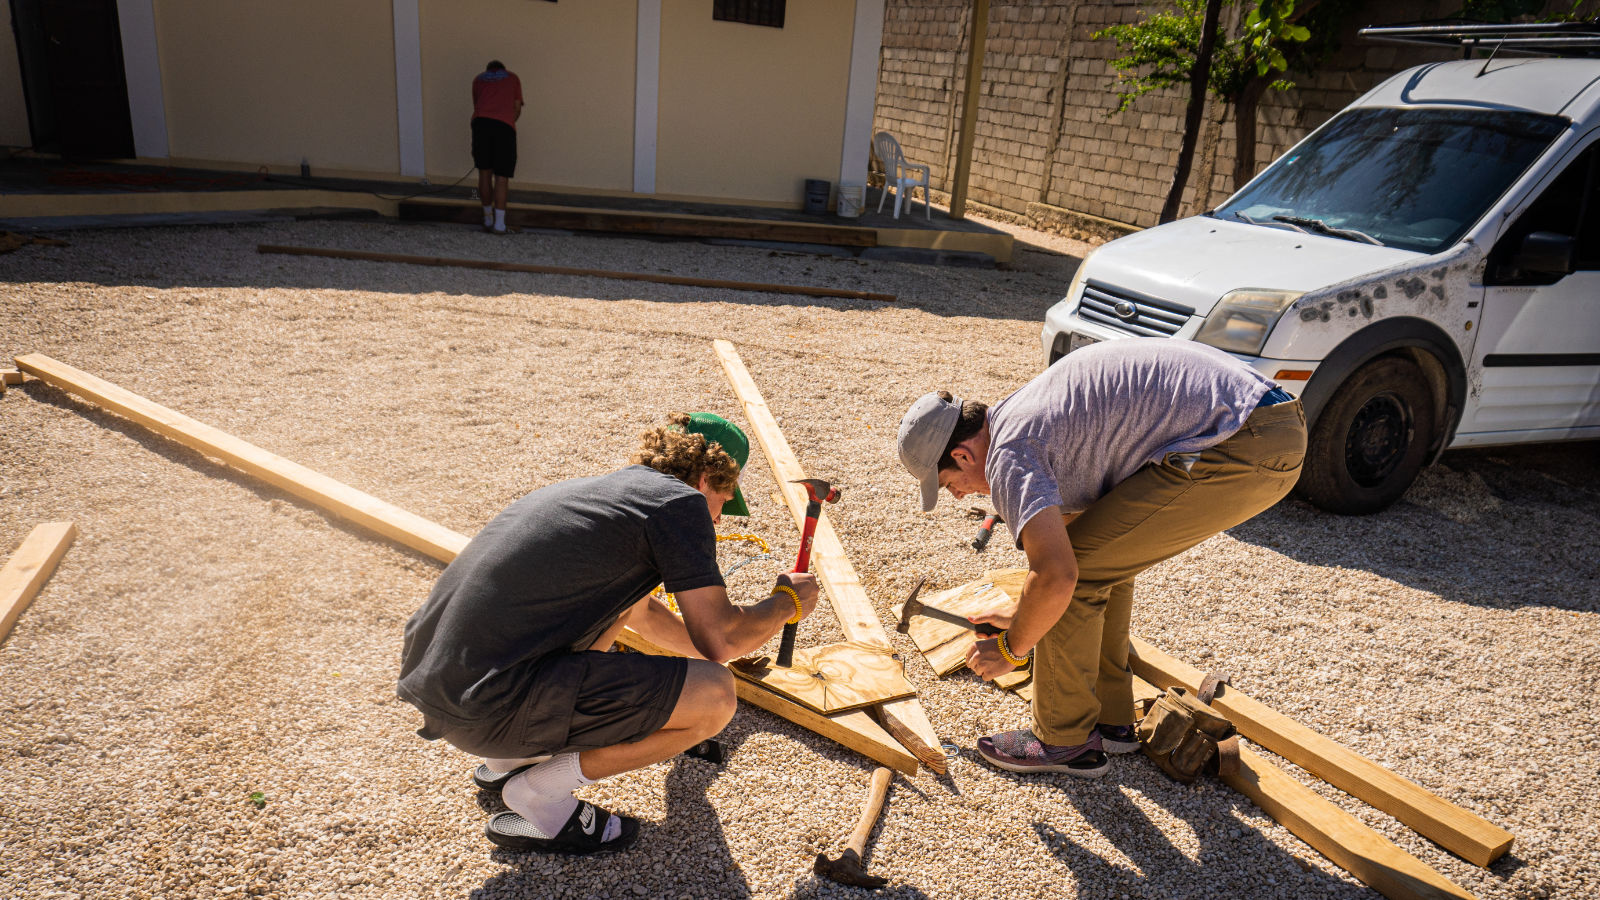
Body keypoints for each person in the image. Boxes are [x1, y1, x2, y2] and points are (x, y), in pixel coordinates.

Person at [397, 412, 818, 853]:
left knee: (621, 612)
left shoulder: (595, 493)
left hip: (446, 693)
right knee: (716, 696)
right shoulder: (679, 503)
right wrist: (784, 605)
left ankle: (510, 760)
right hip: (491, 709)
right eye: (724, 500)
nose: (717, 520)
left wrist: (717, 652)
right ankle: (542, 791)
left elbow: (643, 615)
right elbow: (721, 638)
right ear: (709, 476)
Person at [895, 338, 1305, 777]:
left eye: (948, 484)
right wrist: (1023, 613)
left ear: (962, 454)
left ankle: (1061, 739)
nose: (957, 495)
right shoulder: (1020, 417)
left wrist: (1013, 648)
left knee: (1082, 575)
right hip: (1269, 422)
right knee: (1102, 560)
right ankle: (1111, 721)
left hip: (1244, 440)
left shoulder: (1009, 454)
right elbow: (1080, 543)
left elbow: (1059, 576)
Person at [470, 60, 523, 235]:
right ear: (502, 68)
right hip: (503, 127)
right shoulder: (513, 77)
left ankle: (487, 218)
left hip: (481, 125)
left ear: (488, 70)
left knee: (484, 172)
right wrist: (508, 122)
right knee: (501, 176)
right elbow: (516, 107)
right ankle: (500, 225)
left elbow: (477, 105)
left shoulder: (478, 79)